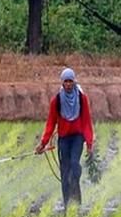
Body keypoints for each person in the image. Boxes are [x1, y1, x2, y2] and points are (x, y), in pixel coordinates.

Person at [35, 68, 94, 208]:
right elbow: (51, 123)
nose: (68, 84)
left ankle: (76, 191)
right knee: (64, 171)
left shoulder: (81, 98)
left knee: (74, 164)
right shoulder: (56, 101)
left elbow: (86, 121)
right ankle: (67, 204)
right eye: (65, 82)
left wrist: (90, 143)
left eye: (70, 81)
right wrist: (43, 143)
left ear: (74, 82)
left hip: (77, 138)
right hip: (64, 139)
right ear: (62, 83)